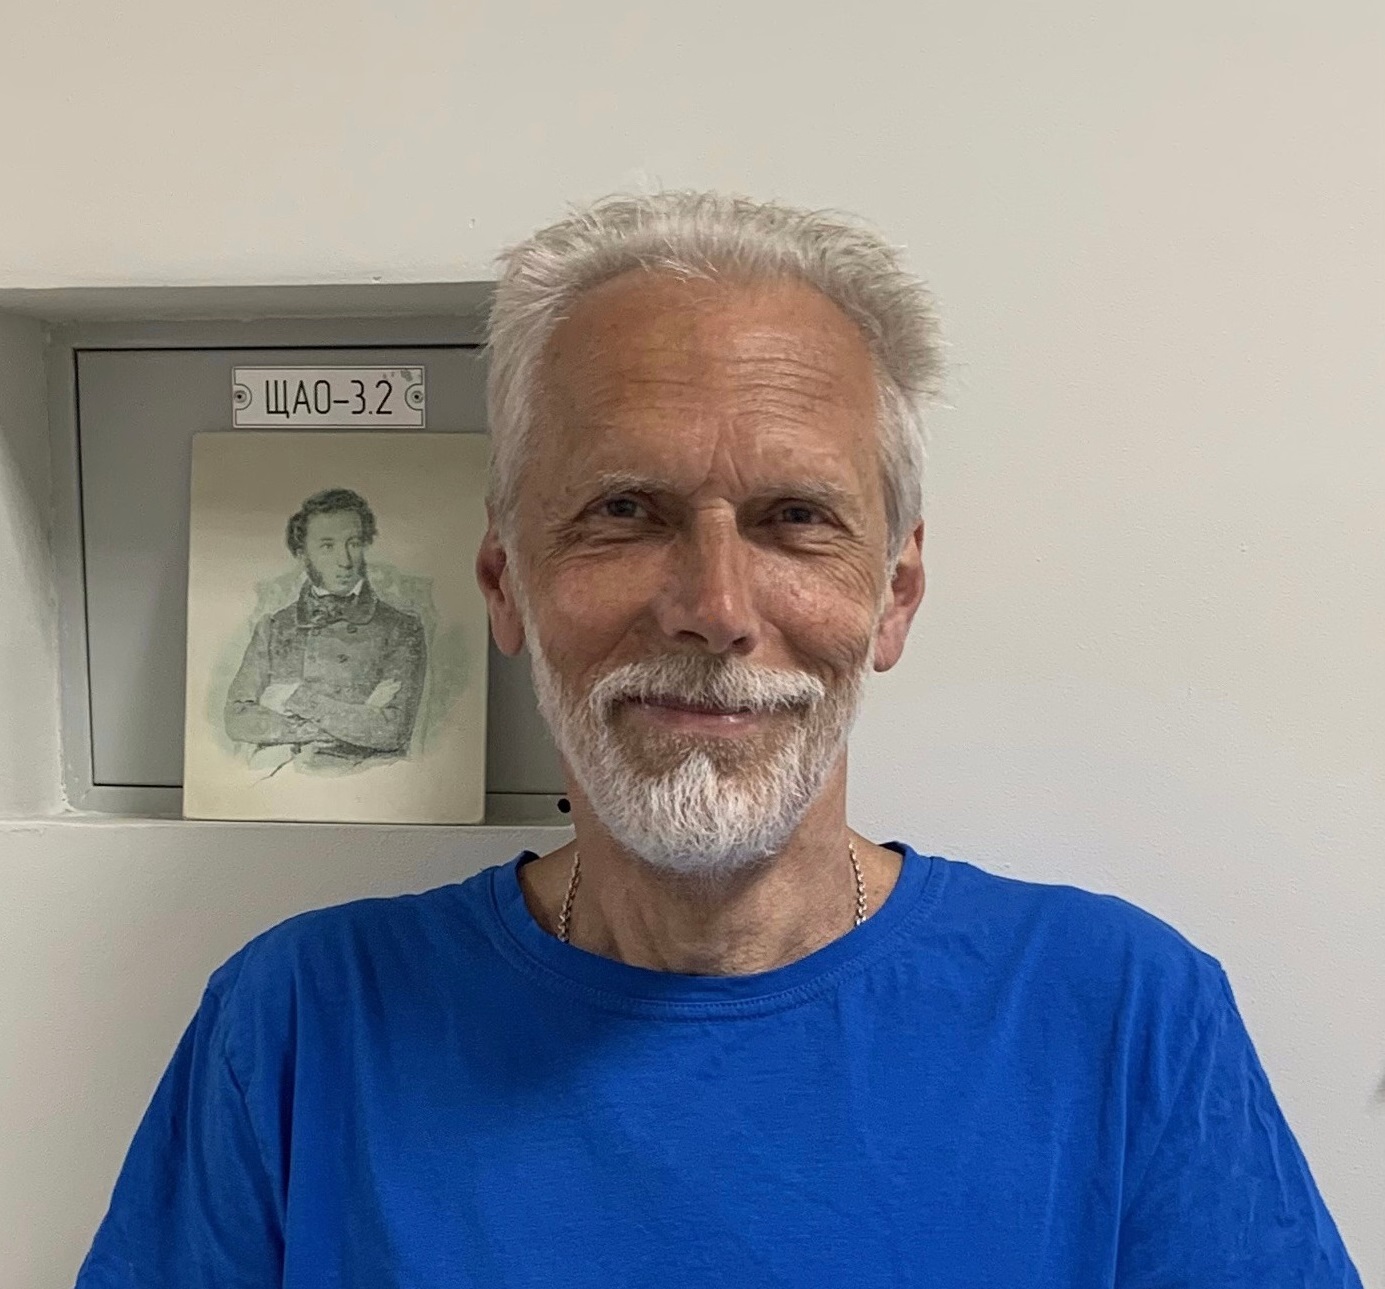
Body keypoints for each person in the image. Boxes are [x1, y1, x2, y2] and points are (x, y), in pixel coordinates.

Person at [77, 192, 1362, 1287]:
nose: (714, 606)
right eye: (623, 510)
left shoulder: (1119, 1016)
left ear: (894, 594)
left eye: (795, 516)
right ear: (505, 584)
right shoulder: (299, 1027)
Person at [223, 487, 427, 773]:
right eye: (327, 546)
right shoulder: (274, 627)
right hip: (277, 778)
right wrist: (312, 730)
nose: (345, 561)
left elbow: (392, 730)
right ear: (302, 554)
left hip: (367, 777)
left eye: (353, 543)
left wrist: (297, 698)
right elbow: (236, 717)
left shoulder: (402, 629)